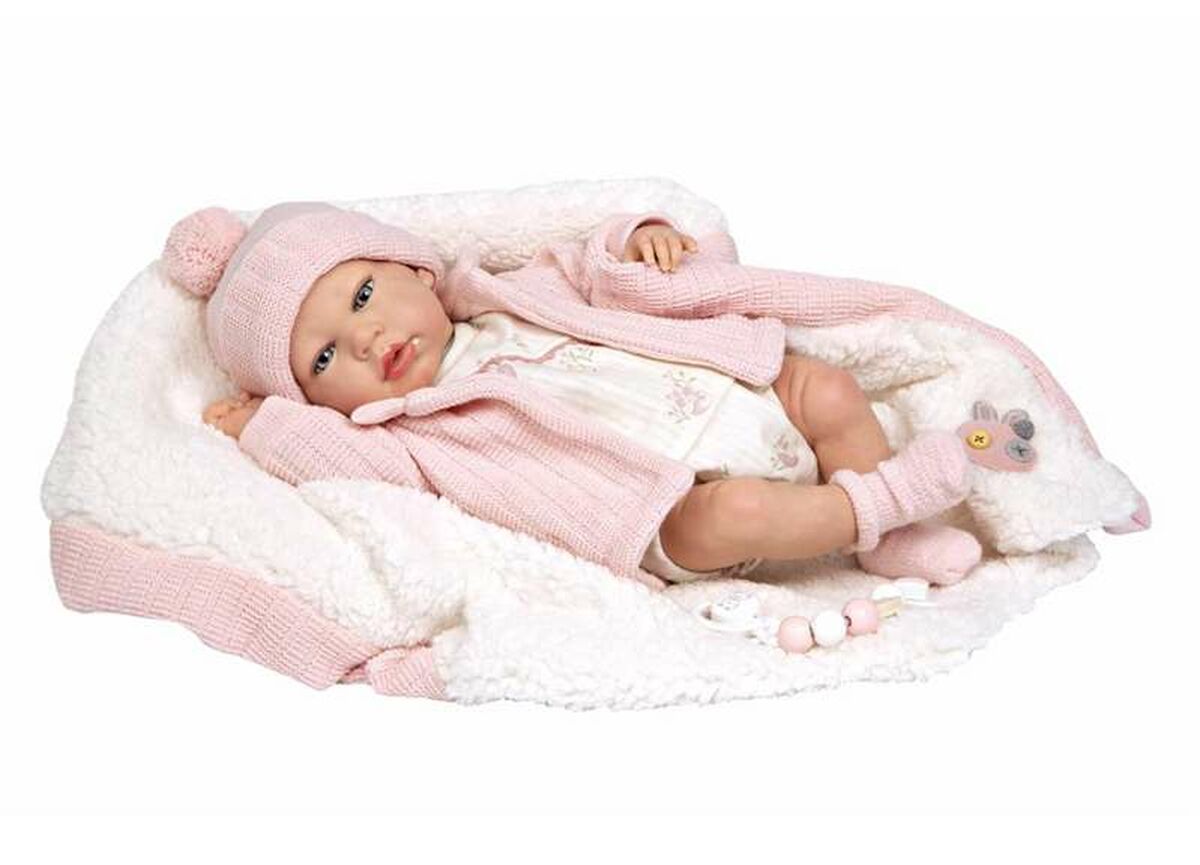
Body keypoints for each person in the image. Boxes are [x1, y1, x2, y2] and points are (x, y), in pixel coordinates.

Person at [163, 200, 981, 589]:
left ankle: (885, 540)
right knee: (738, 512)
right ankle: (882, 506)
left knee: (826, 390)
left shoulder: (513, 293)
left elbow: (596, 267)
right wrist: (264, 426)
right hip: (671, 504)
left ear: (413, 268)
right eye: (324, 356)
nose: (367, 339)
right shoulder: (412, 432)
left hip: (744, 405)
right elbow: (345, 465)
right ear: (318, 400)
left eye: (364, 297)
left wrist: (638, 239)